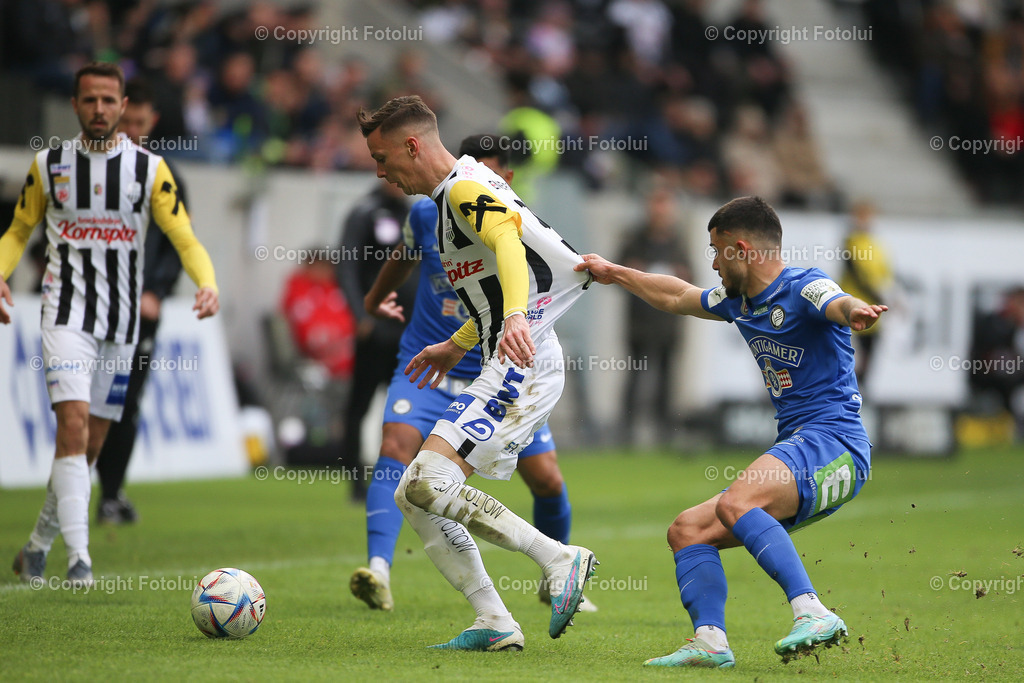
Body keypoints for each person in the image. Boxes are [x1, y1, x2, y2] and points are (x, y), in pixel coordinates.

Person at [576, 196, 886, 668]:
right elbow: (675, 295)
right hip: (801, 446)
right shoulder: (739, 302)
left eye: (717, 251)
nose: (714, 263)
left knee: (735, 502)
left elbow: (837, 302)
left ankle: (812, 611)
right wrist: (614, 272)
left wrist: (856, 310)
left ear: (742, 249)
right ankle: (710, 642)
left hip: (834, 442)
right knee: (687, 530)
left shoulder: (805, 286)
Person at [357, 96, 597, 652]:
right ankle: (494, 621)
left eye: (382, 156)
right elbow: (489, 291)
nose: (379, 171)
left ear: (412, 145)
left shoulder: (465, 189)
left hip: (523, 361)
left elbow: (510, 247)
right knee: (412, 493)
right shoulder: (448, 200)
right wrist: (454, 343)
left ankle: (560, 558)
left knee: (424, 481)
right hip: (505, 354)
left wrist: (513, 317)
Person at [1, 62, 219, 587]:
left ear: (123, 108)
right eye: (89, 100)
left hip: (120, 323)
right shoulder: (48, 165)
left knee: (91, 445)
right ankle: (81, 561)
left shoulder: (150, 170)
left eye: (108, 100)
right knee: (71, 425)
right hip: (65, 312)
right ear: (75, 106)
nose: (99, 109)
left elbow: (184, 237)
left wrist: (206, 282)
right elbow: (18, 231)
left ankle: (36, 548)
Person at [93, 78, 187, 525]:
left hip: (141, 312)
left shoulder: (164, 176)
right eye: (124, 121)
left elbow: (177, 243)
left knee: (125, 403)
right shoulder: (86, 170)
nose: (130, 130)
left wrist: (157, 290)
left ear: (151, 122)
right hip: (89, 307)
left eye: (138, 123)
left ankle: (110, 494)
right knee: (85, 404)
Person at [335, 179, 415, 501]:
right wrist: (360, 316)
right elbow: (347, 267)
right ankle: (356, 482)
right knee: (361, 405)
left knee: (408, 406)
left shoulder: (413, 214)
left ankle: (409, 480)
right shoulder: (364, 212)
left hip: (408, 331)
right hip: (375, 330)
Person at [617, 187, 691, 446]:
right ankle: (625, 431)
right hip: (640, 322)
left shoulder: (677, 241)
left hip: (668, 322)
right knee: (635, 377)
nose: (660, 213)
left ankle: (664, 432)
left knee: (666, 379)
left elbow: (691, 277)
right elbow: (617, 271)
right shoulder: (635, 239)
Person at [839, 200, 892, 386]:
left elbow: (885, 275)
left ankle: (860, 394)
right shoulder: (850, 241)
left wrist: (889, 297)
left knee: (869, 358)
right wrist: (876, 295)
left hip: (872, 309)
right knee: (850, 355)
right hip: (851, 306)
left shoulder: (876, 244)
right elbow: (856, 272)